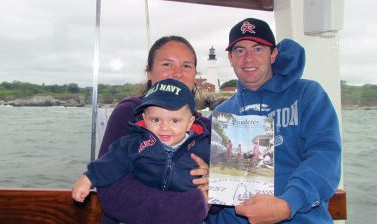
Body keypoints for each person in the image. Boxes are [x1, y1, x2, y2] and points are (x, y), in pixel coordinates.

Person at [207, 18, 341, 224]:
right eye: (240, 50)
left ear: (273, 54)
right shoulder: (223, 113)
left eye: (258, 49)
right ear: (230, 58)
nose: (248, 58)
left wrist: (288, 204)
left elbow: (325, 155)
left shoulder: (308, 95)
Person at [96, 36, 210, 224]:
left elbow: (221, 193)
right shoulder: (130, 113)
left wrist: (212, 182)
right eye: (167, 64)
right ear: (149, 72)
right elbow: (110, 189)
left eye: (187, 66)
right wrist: (192, 204)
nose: (178, 73)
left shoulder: (206, 127)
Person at [72, 79, 210, 222]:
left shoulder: (203, 145)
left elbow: (223, 172)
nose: (164, 128)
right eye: (156, 120)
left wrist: (212, 179)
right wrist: (87, 179)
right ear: (144, 119)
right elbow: (110, 162)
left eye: (174, 121)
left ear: (190, 123)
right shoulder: (134, 144)